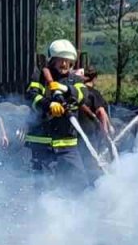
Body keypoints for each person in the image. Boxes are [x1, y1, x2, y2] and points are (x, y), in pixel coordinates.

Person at [24, 39, 88, 186]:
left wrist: (65, 89)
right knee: (45, 188)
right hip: (42, 144)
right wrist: (49, 104)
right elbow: (31, 97)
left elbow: (82, 95)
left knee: (79, 184)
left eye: (67, 61)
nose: (64, 64)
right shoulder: (39, 77)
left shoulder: (75, 80)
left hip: (67, 145)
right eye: (60, 60)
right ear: (52, 60)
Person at [77, 67, 114, 160]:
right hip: (92, 131)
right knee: (94, 158)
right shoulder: (94, 93)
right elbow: (101, 112)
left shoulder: (78, 91)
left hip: (78, 131)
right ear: (94, 78)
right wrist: (107, 130)